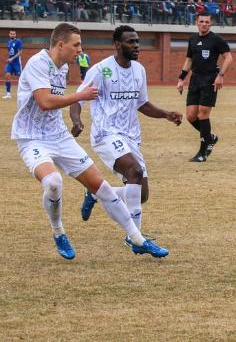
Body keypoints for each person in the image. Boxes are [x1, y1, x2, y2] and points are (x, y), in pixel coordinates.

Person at [11, 23, 168, 259]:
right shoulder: (37, 63)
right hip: (31, 137)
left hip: (59, 136)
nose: (80, 50)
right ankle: (58, 232)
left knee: (102, 188)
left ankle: (137, 239)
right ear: (61, 44)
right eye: (76, 45)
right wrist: (79, 97)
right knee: (53, 183)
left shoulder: (62, 67)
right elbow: (44, 101)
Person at [69, 26, 183, 240]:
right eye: (131, 41)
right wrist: (77, 121)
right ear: (117, 44)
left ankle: (96, 194)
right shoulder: (101, 70)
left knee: (141, 194)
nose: (136, 45)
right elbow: (78, 99)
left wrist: (167, 114)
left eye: (137, 41)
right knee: (134, 171)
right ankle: (135, 238)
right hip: (105, 134)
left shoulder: (139, 70)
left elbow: (142, 104)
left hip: (131, 136)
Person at [176, 13, 233, 162]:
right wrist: (181, 79)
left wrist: (220, 75)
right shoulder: (193, 39)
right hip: (195, 79)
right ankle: (210, 137)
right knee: (190, 116)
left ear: (210, 24)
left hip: (210, 80)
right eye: (201, 21)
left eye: (207, 22)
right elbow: (189, 60)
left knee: (202, 114)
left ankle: (202, 153)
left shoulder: (216, 39)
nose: (204, 24)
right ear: (197, 23)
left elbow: (229, 57)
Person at [5, 30, 22, 99]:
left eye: (14, 34)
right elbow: (10, 53)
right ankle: (8, 94)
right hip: (10, 63)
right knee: (7, 75)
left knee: (20, 77)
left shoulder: (18, 41)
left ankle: (22, 93)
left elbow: (20, 52)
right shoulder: (9, 42)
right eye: (11, 34)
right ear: (9, 34)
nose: (12, 35)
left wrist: (12, 59)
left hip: (17, 62)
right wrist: (9, 59)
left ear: (15, 35)